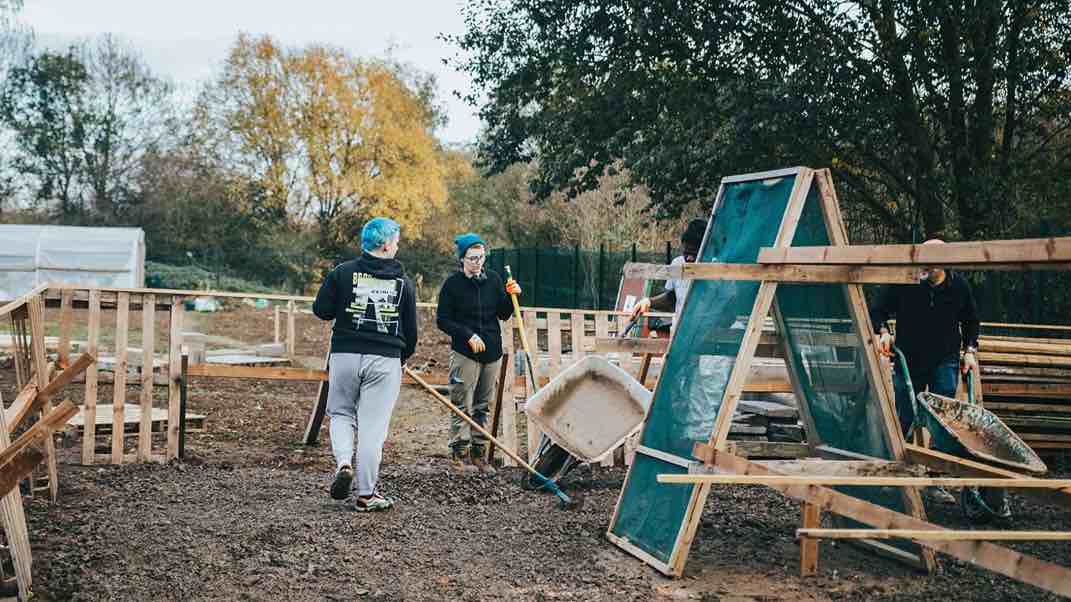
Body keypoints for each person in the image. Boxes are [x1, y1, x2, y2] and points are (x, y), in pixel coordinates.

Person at [869, 238, 996, 513]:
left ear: (943, 263)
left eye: (929, 260)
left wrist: (970, 350)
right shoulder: (906, 282)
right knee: (904, 415)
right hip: (909, 360)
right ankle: (892, 474)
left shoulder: (958, 286)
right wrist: (883, 332)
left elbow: (971, 321)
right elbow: (877, 309)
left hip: (944, 359)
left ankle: (935, 478)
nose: (923, 265)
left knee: (941, 421)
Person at [312, 217, 417, 512]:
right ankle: (367, 494)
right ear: (386, 244)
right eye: (396, 241)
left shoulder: (342, 273)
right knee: (373, 428)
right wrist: (403, 358)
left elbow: (321, 310)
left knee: (342, 414)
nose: (397, 245)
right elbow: (411, 330)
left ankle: (344, 462)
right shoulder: (403, 283)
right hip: (385, 359)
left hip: (345, 354)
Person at [436, 233, 522, 474]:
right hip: (465, 351)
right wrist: (467, 335)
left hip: (491, 351)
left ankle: (479, 453)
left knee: (483, 405)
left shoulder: (494, 280)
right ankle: (459, 453)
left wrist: (513, 295)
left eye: (481, 257)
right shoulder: (452, 285)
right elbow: (442, 320)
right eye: (472, 258)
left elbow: (504, 314)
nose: (477, 262)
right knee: (461, 402)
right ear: (462, 259)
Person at [629, 218, 708, 327]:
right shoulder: (677, 264)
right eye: (686, 253)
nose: (689, 258)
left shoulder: (717, 269)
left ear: (706, 249)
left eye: (694, 254)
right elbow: (672, 298)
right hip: (681, 331)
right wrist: (648, 302)